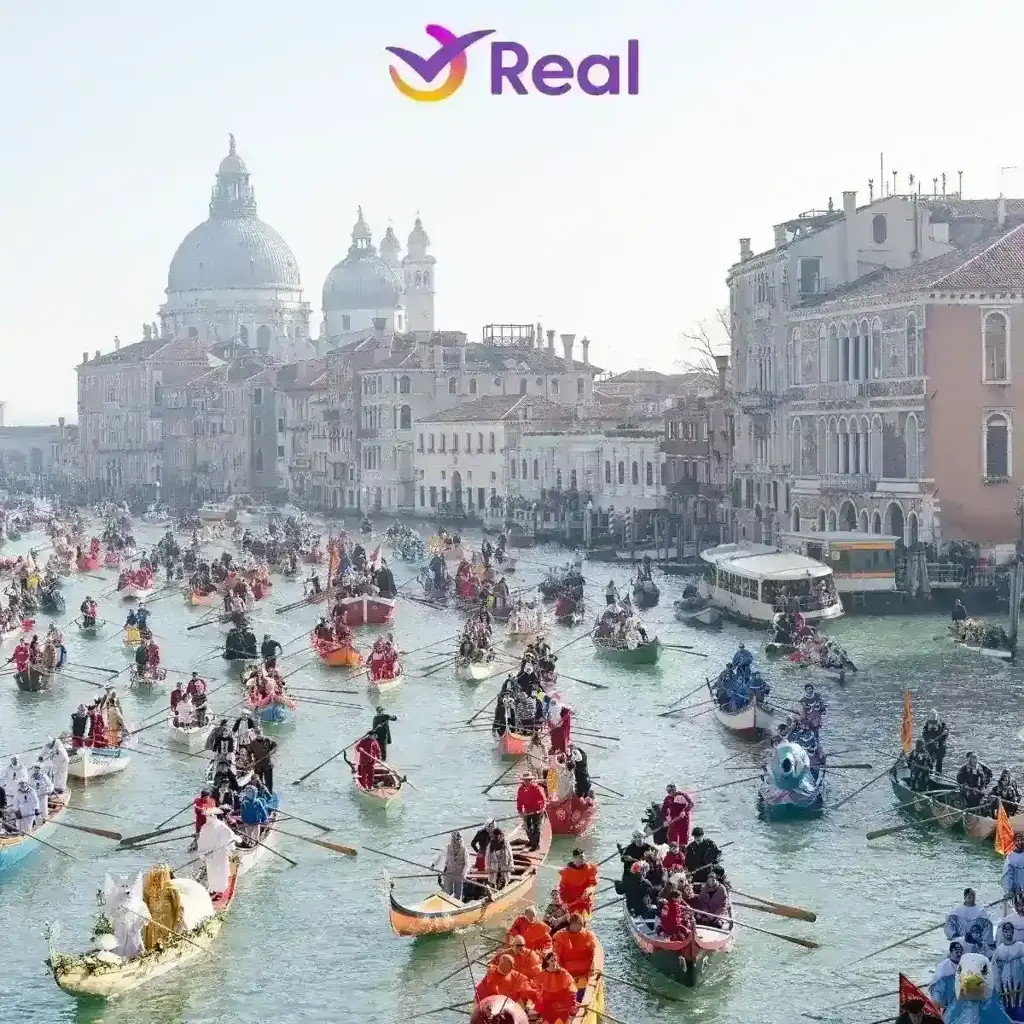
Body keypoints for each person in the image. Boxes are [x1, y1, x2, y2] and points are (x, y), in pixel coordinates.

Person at [196, 806, 235, 898]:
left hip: (220, 853)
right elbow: (201, 841)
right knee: (212, 872)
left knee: (220, 871)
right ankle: (213, 889)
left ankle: (220, 890)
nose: (208, 818)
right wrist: (202, 852)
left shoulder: (220, 825)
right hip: (210, 854)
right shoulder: (205, 827)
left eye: (209, 816)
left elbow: (229, 836)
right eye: (207, 816)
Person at [552, 912, 597, 986]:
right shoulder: (561, 936)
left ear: (581, 925)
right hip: (568, 972)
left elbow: (594, 951)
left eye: (578, 924)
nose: (576, 926)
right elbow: (556, 955)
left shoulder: (588, 935)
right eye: (574, 924)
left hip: (586, 972)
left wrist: (593, 967)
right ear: (570, 924)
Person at [533, 950, 577, 1024]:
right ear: (547, 961)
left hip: (561, 1004)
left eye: (555, 960)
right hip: (548, 1004)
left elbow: (571, 989)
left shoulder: (563, 972)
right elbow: (537, 990)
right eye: (552, 960)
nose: (554, 962)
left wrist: (572, 1003)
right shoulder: (542, 974)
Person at [557, 850, 598, 916]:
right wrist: (564, 902)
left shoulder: (589, 869)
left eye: (584, 857)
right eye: (581, 857)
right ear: (574, 858)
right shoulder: (567, 872)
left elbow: (593, 884)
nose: (583, 859)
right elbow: (562, 888)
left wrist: (588, 890)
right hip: (571, 901)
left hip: (584, 900)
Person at [516, 772, 547, 852]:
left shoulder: (537, 788)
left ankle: (536, 845)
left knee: (536, 828)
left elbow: (543, 799)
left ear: (531, 780)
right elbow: (519, 801)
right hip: (527, 811)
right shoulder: (521, 789)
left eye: (528, 780)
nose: (527, 782)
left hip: (537, 810)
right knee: (527, 828)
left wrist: (543, 808)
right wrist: (520, 811)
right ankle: (532, 841)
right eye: (525, 780)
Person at [928, 941, 964, 1009]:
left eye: (961, 952)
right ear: (950, 953)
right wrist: (936, 1000)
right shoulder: (943, 967)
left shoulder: (966, 963)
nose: (959, 954)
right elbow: (937, 988)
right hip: (949, 1002)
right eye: (956, 952)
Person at [435, 830, 469, 902]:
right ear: (453, 839)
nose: (459, 841)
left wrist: (464, 875)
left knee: (457, 896)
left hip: (459, 875)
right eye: (457, 839)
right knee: (447, 894)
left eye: (460, 839)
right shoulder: (447, 847)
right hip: (449, 873)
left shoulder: (464, 849)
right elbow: (440, 856)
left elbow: (467, 864)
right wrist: (433, 865)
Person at [922, 710, 950, 774]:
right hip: (930, 746)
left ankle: (938, 775)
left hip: (940, 746)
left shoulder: (941, 723)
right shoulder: (927, 723)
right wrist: (928, 740)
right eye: (932, 715)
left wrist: (945, 732)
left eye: (934, 715)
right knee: (930, 761)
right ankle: (929, 773)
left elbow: (946, 730)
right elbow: (924, 733)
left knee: (939, 762)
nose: (933, 716)